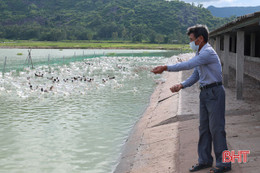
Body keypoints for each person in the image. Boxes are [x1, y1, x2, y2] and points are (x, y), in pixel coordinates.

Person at [151, 24, 231, 173]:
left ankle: (225, 163)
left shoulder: (207, 52)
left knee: (217, 129)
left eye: (191, 39)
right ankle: (205, 160)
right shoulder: (200, 53)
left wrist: (165, 67)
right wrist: (182, 85)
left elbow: (188, 65)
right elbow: (196, 74)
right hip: (205, 93)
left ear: (200, 39)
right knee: (204, 129)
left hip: (215, 92)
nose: (191, 42)